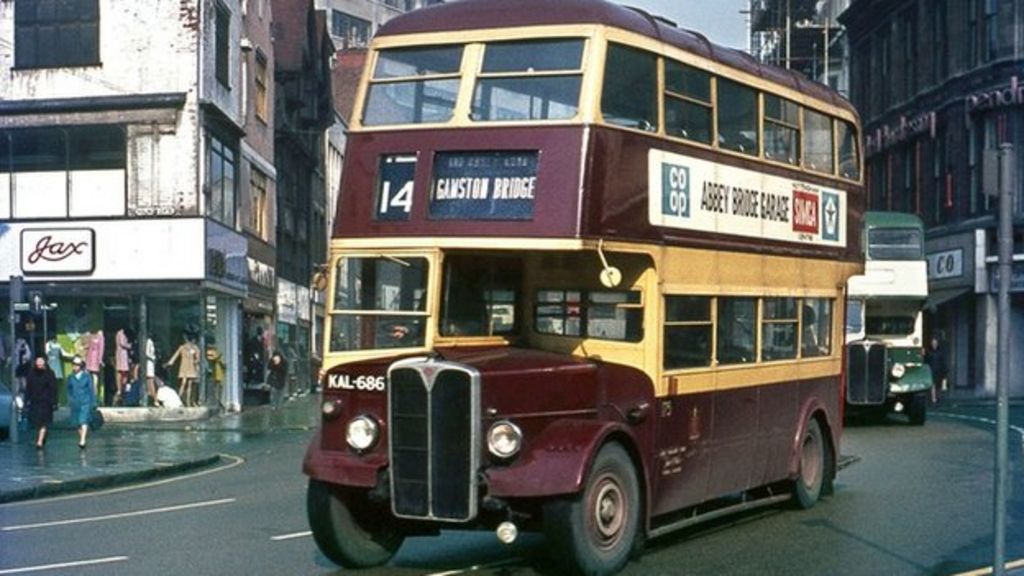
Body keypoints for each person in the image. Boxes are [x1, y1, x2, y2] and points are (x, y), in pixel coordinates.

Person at [25, 356, 58, 449]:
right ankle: (42, 436)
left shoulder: (50, 373)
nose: (39, 363)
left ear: (44, 362)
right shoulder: (31, 374)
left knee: (44, 421)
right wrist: (26, 400)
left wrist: (54, 402)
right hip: (35, 401)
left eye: (41, 361)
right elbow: (28, 388)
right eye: (38, 361)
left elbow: (54, 388)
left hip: (46, 402)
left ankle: (39, 441)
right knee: (37, 422)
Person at [66, 356, 96, 449]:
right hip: (75, 403)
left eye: (77, 365)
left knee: (83, 420)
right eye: (74, 364)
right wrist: (70, 400)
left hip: (85, 401)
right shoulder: (70, 377)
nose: (75, 366)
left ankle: (82, 440)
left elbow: (91, 390)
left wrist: (93, 402)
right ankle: (82, 438)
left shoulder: (87, 377)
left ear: (81, 366)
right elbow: (69, 390)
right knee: (77, 423)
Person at [165, 334, 200, 407]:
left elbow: (198, 358)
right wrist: (169, 363)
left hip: (191, 367)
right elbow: (175, 355)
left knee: (189, 384)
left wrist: (196, 360)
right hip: (184, 367)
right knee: (183, 383)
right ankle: (179, 399)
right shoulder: (182, 348)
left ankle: (188, 401)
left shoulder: (194, 348)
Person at [924, 336, 948, 404]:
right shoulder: (928, 352)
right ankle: (933, 399)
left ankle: (937, 398)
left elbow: (943, 362)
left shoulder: (940, 353)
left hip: (939, 371)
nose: (934, 345)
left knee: (938, 386)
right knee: (933, 385)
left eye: (935, 343)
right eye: (933, 343)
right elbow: (926, 361)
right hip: (931, 371)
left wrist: (945, 371)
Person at [114, 328, 132, 404]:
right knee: (120, 370)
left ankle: (123, 387)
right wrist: (129, 346)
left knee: (125, 371)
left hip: (125, 354)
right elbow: (122, 344)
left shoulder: (125, 334)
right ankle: (119, 389)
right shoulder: (120, 333)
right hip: (121, 354)